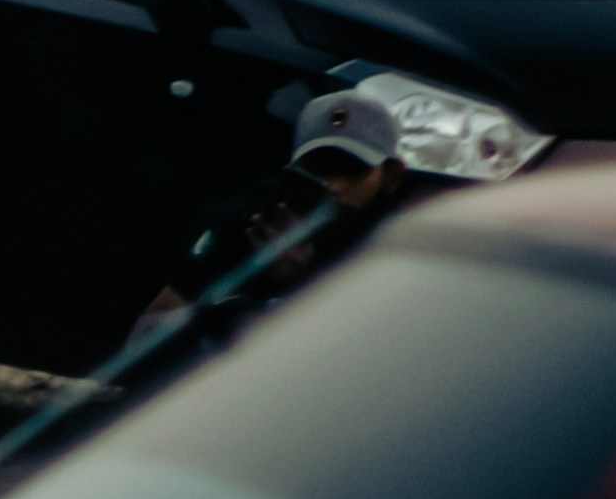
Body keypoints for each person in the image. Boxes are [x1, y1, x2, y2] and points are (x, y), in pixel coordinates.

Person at [132, 87, 411, 350]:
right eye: (318, 166)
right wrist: (224, 313)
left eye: (352, 168)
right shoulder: (251, 214)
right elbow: (150, 327)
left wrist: (301, 280)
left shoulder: (403, 242)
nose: (331, 184)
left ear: (391, 176)